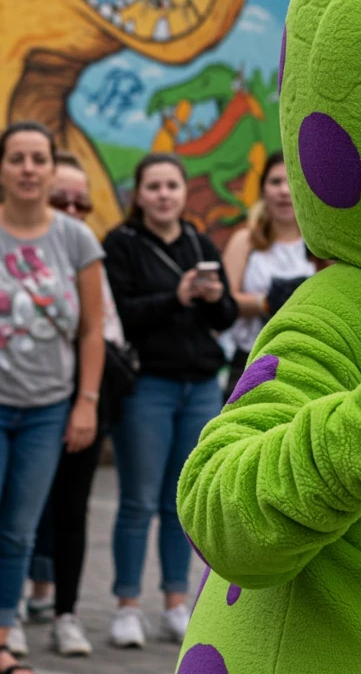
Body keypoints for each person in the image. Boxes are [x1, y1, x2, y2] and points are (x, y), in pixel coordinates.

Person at [103, 153, 237, 648]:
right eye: (154, 186)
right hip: (149, 387)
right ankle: (126, 604)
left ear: (184, 192)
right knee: (138, 500)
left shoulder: (200, 241)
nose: (163, 195)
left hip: (199, 386)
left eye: (172, 186)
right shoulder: (121, 244)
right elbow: (119, 313)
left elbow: (223, 318)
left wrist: (214, 297)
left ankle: (176, 602)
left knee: (182, 502)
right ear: (138, 195)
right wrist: (175, 298)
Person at [0, 123, 105, 674]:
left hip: (47, 407)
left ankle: (4, 635)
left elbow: (91, 330)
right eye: (16, 158)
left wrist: (85, 402)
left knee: (19, 528)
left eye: (38, 158)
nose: (28, 169)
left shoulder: (75, 240)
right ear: (3, 168)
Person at [24, 152, 126, 656]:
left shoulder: (87, 254)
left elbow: (104, 330)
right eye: (59, 198)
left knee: (71, 510)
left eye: (80, 201)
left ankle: (66, 612)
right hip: (24, 394)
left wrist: (88, 402)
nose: (70, 208)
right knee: (16, 510)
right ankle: (15, 605)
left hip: (84, 399)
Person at [221, 151, 314, 400]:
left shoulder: (320, 245)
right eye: (275, 182)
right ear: (262, 190)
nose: (284, 190)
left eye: (290, 180)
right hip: (250, 360)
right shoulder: (245, 240)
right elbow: (223, 303)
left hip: (306, 362)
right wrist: (265, 302)